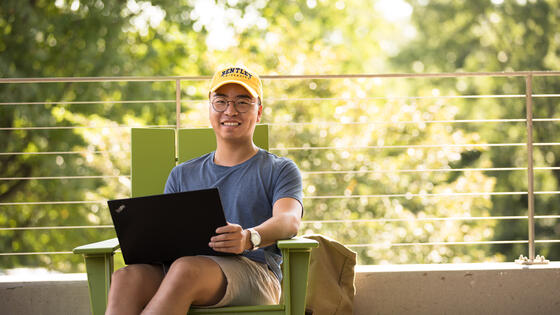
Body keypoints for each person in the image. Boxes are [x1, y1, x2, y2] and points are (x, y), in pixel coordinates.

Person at [105, 65, 303, 315]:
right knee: (126, 277)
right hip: (185, 269)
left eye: (243, 102)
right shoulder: (182, 174)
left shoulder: (279, 169)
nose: (230, 110)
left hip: (254, 273)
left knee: (187, 269)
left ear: (259, 111)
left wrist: (248, 238)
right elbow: (166, 236)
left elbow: (289, 219)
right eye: (220, 101)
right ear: (210, 109)